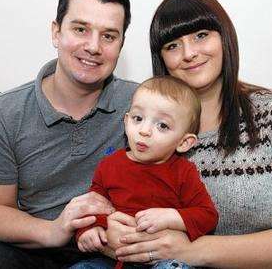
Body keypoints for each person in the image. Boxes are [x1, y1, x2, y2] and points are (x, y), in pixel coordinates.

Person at [107, 0, 272, 268]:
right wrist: (114, 231)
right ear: (162, 59)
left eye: (201, 35)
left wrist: (192, 250)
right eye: (172, 45)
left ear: (224, 38)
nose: (189, 53)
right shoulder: (147, 129)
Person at [0, 0, 138, 268]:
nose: (93, 46)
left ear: (120, 44)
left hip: (108, 248)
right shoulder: (6, 112)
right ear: (56, 32)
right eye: (81, 29)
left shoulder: (139, 104)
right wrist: (56, 229)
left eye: (109, 35)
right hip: (34, 247)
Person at [70, 76, 218, 269]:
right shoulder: (109, 165)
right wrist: (90, 230)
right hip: (113, 258)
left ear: (184, 142)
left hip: (161, 259)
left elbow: (208, 216)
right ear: (126, 121)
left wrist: (171, 217)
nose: (145, 131)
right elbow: (94, 207)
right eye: (138, 118)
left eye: (162, 125)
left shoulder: (183, 172)